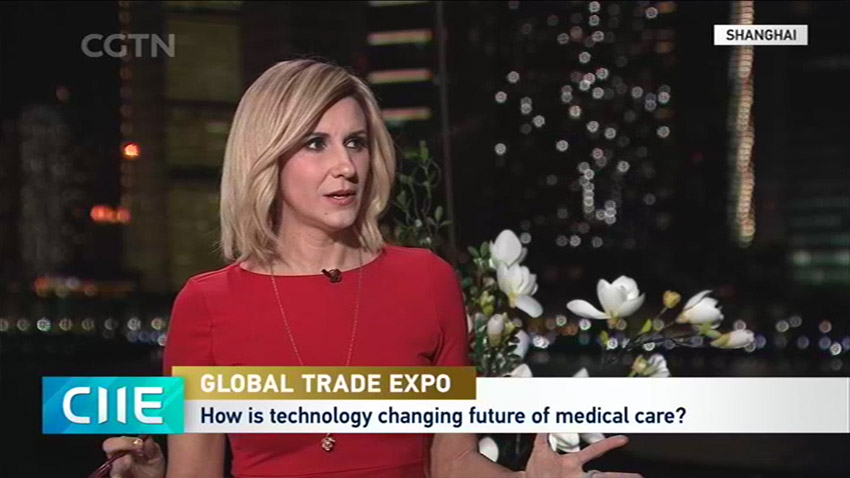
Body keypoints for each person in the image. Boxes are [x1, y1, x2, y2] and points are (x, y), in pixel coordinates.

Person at [101, 59, 642, 478]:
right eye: (316, 143)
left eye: (355, 143)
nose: (345, 166)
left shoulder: (427, 281)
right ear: (267, 158)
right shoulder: (207, 305)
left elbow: (452, 462)